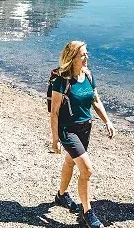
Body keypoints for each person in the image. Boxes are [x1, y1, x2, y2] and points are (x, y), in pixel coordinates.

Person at [50, 41, 116, 228]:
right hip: (68, 130)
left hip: (85, 129)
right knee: (87, 170)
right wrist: (55, 139)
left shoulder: (87, 75)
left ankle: (61, 195)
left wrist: (107, 121)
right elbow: (54, 112)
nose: (87, 57)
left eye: (87, 54)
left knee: (71, 162)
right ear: (72, 58)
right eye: (83, 55)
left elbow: (96, 101)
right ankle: (88, 213)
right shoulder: (61, 80)